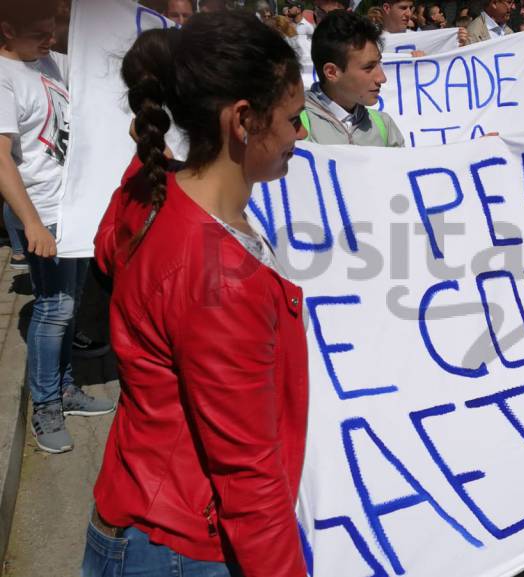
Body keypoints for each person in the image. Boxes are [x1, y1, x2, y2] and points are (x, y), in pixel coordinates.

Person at [84, 12, 310, 577]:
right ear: (243, 120)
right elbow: (248, 477)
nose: (301, 134)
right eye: (292, 118)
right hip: (182, 548)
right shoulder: (219, 282)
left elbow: (109, 248)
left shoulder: (151, 186)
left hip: (138, 513)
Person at [0, 0, 115, 455]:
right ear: (6, 30)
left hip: (75, 210)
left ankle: (65, 388)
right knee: (53, 309)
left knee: (70, 304)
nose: (51, 40)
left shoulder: (44, 60)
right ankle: (45, 406)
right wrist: (30, 222)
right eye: (41, 34)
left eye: (53, 31)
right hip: (44, 213)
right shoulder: (4, 77)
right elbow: (2, 160)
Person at [305, 10, 405, 146]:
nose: (382, 78)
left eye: (379, 63)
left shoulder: (383, 126)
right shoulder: (294, 127)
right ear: (332, 72)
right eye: (368, 67)